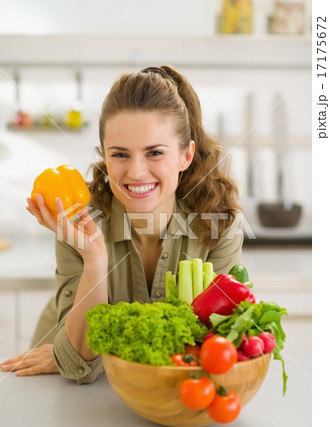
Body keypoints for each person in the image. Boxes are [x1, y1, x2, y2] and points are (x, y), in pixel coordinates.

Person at [0, 66, 243, 383]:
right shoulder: (78, 221)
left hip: (168, 392)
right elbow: (78, 361)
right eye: (120, 154)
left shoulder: (219, 225)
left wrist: (95, 348)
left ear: (186, 155)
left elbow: (219, 346)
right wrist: (95, 258)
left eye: (154, 152)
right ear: (104, 155)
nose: (137, 172)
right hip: (62, 388)